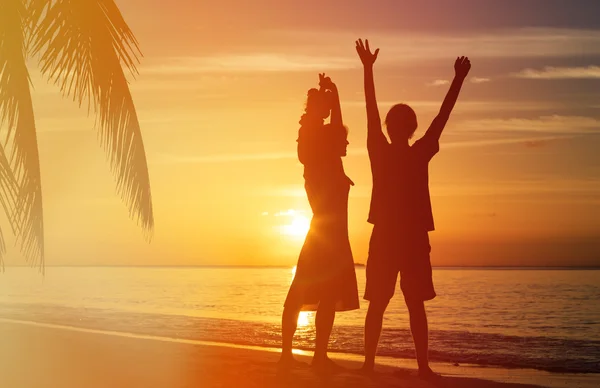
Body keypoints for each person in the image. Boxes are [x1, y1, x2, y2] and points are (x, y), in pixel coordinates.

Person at [355, 38, 471, 379]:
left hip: (406, 238)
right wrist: (367, 70)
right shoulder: (391, 150)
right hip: (396, 237)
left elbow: (440, 117)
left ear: (402, 128)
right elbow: (373, 111)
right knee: (392, 304)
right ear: (402, 128)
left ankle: (406, 365)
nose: (394, 127)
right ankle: (377, 364)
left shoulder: (407, 151)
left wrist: (458, 81)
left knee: (406, 303)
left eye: (397, 123)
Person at [279, 73, 360, 373]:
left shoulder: (326, 151)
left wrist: (332, 96)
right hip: (324, 233)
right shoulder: (314, 145)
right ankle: (288, 353)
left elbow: (337, 131)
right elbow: (333, 132)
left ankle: (318, 355)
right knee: (301, 289)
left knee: (327, 294)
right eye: (323, 106)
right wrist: (331, 97)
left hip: (334, 235)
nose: (346, 142)